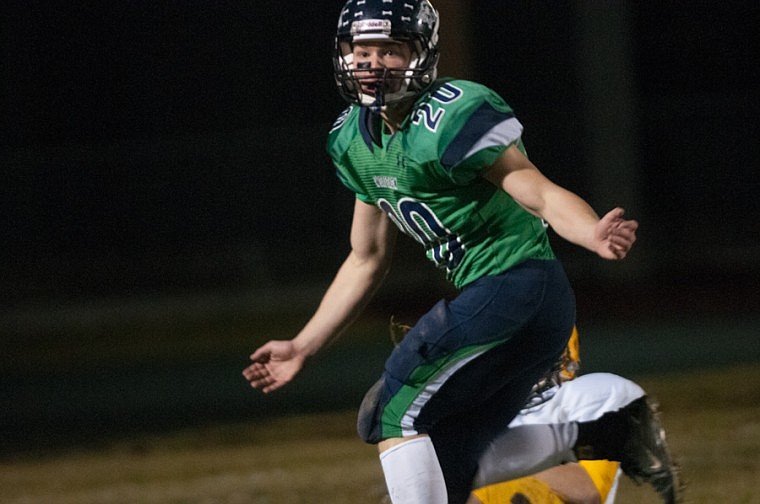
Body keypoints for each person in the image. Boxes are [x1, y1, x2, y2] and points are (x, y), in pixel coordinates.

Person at [243, 1, 646, 502]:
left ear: (421, 53)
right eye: (362, 49)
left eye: (389, 50)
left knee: (393, 410)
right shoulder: (352, 138)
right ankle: (601, 431)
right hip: (518, 304)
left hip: (516, 286)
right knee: (450, 458)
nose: (372, 63)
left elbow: (536, 191)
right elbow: (366, 258)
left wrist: (589, 232)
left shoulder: (451, 114)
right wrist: (303, 346)